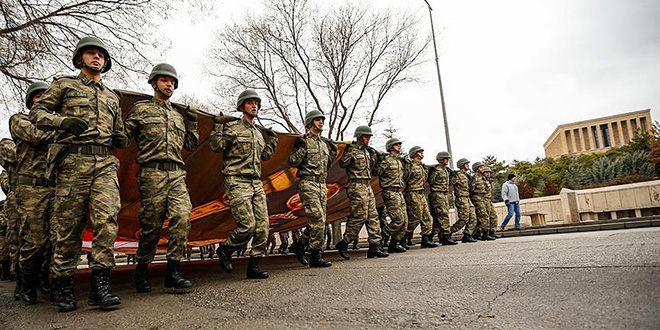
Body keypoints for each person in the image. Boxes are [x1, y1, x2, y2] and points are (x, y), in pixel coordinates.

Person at [29, 36, 129, 312]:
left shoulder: (112, 97)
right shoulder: (64, 86)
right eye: (91, 53)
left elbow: (119, 130)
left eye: (100, 55)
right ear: (79, 59)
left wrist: (120, 138)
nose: (96, 58)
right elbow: (36, 113)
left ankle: (100, 285)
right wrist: (62, 122)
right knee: (68, 227)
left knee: (107, 220)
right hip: (73, 162)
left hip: (105, 163)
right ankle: (62, 284)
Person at [125, 63, 199, 293]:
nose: (169, 84)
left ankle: (173, 271)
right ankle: (142, 269)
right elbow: (123, 136)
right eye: (165, 80)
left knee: (182, 216)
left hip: (176, 173)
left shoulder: (178, 116)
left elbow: (190, 145)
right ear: (153, 82)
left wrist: (193, 123)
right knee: (151, 225)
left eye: (172, 82)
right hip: (151, 173)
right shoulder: (141, 110)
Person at [210, 89, 278, 279]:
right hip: (236, 181)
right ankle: (226, 249)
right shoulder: (232, 128)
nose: (254, 105)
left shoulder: (258, 134)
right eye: (250, 102)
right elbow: (216, 146)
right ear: (242, 106)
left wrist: (272, 142)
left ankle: (254, 265)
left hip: (256, 183)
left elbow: (265, 156)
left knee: (263, 227)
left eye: (256, 102)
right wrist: (217, 127)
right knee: (247, 225)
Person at [9, 81, 56, 304]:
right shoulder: (20, 119)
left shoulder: (57, 123)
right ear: (31, 101)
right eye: (38, 97)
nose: (42, 101)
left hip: (56, 186)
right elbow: (35, 135)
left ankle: (44, 278)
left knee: (56, 239)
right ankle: (25, 280)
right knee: (34, 240)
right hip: (31, 188)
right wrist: (62, 129)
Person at [288, 109, 337, 268]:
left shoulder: (323, 144)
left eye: (322, 120)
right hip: (308, 184)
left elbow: (326, 166)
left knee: (319, 221)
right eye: (317, 120)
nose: (321, 122)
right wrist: (301, 147)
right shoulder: (304, 141)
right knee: (318, 220)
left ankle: (300, 245)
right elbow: (293, 161)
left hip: (322, 185)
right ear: (310, 123)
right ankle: (316, 255)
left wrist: (333, 153)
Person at [334, 125, 388, 260]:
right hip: (356, 185)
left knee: (373, 216)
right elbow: (342, 164)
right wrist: (348, 152)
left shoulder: (368, 152)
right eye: (366, 137)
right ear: (359, 137)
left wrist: (379, 157)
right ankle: (344, 243)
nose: (368, 139)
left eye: (369, 137)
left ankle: (374, 246)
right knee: (359, 216)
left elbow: (374, 169)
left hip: (367, 186)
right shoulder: (352, 150)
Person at [373, 138, 407, 253]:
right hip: (390, 192)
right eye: (397, 145)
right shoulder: (386, 160)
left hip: (399, 192)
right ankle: (384, 236)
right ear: (391, 146)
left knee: (404, 221)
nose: (399, 146)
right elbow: (376, 172)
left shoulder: (398, 161)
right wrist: (380, 160)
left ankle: (394, 243)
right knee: (398, 220)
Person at [403, 146, 438, 248]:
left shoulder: (422, 166)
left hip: (421, 193)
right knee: (415, 217)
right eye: (420, 152)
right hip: (412, 193)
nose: (422, 153)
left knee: (426, 217)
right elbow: (405, 178)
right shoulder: (410, 165)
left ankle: (425, 239)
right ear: (415, 154)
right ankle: (403, 236)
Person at [0, 138, 20, 300]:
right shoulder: (6, 174)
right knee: (16, 240)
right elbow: (7, 187)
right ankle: (18, 277)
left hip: (39, 193)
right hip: (16, 200)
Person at [428, 151, 458, 245]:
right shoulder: (436, 170)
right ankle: (445, 236)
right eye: (446, 159)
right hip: (437, 194)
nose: (447, 160)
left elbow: (449, 183)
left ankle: (430, 237)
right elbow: (431, 181)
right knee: (443, 215)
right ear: (441, 159)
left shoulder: (446, 170)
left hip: (444, 194)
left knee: (438, 218)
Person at [450, 158, 478, 243]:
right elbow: (450, 183)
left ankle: (467, 235)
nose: (468, 165)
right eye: (466, 164)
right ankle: (448, 232)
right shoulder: (458, 175)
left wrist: (472, 181)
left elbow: (471, 189)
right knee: (464, 219)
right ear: (462, 165)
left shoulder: (467, 176)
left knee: (473, 218)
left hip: (467, 197)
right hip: (461, 198)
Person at [469, 162, 496, 241]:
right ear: (477, 169)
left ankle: (481, 233)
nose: (482, 169)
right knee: (483, 216)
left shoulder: (483, 178)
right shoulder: (474, 178)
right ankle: (484, 233)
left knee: (485, 215)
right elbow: (471, 189)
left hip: (483, 198)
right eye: (481, 168)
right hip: (477, 198)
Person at [483, 167, 499, 239]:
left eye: (489, 172)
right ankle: (485, 233)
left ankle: (492, 231)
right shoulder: (481, 180)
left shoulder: (488, 181)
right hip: (484, 200)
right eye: (486, 172)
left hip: (489, 200)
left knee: (494, 216)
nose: (488, 174)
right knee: (486, 217)